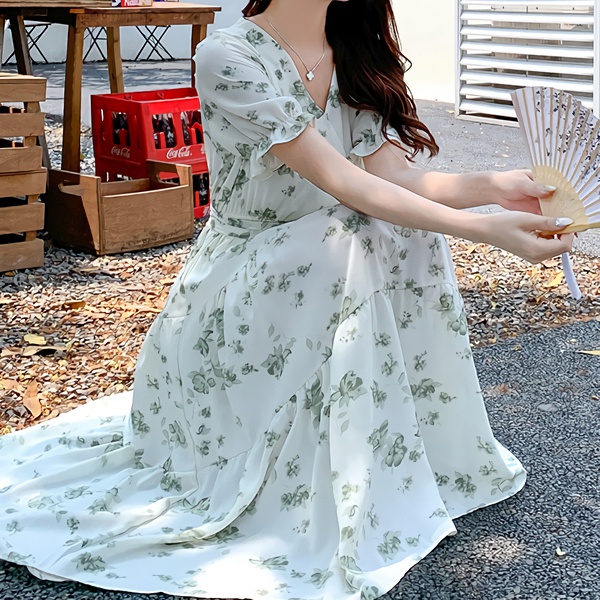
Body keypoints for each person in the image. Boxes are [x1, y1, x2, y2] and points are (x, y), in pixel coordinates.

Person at [0, 1, 573, 599]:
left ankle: (380, 452)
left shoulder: (348, 48)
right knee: (352, 233)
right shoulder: (227, 56)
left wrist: (494, 188)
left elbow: (394, 180)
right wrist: (486, 232)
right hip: (247, 272)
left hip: (327, 258)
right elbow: (342, 182)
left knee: (401, 234)